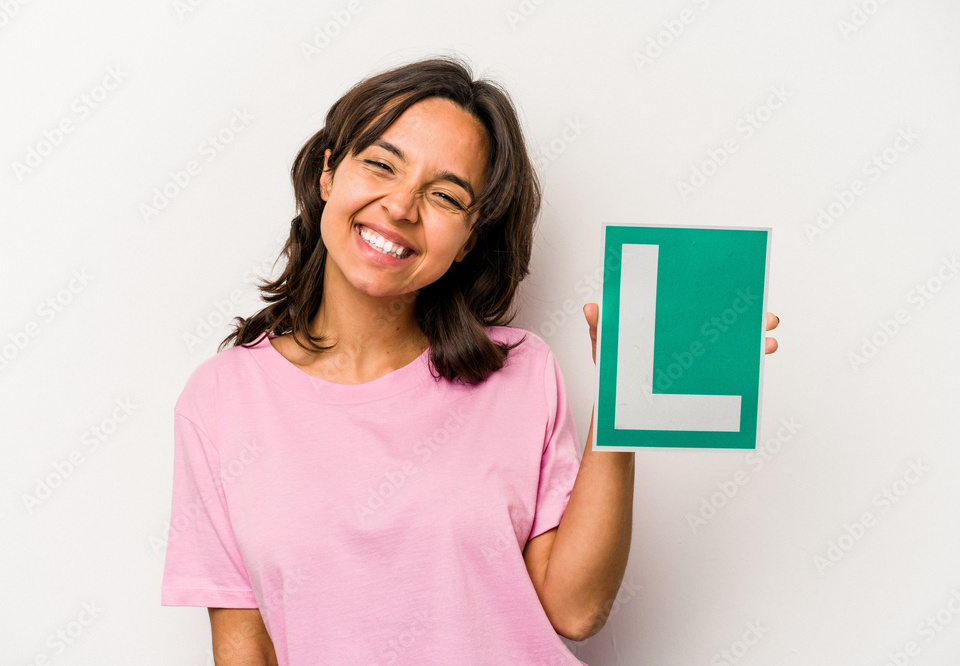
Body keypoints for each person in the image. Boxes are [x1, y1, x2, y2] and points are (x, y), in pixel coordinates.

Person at [160, 54, 780, 665]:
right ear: (328, 175)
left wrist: (626, 394)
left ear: (468, 241)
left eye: (446, 196)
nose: (401, 207)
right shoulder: (221, 400)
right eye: (380, 165)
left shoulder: (521, 372)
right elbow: (244, 644)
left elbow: (576, 609)